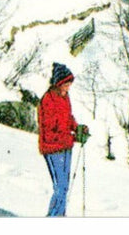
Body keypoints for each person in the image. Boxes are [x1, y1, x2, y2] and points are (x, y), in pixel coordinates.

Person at [38, 62, 88, 216]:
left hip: (65, 146)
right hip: (53, 149)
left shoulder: (65, 97)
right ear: (58, 83)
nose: (68, 87)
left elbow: (67, 118)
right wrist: (70, 138)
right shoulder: (48, 100)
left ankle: (60, 216)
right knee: (60, 187)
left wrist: (77, 128)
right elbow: (49, 130)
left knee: (64, 187)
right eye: (66, 84)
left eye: (69, 84)